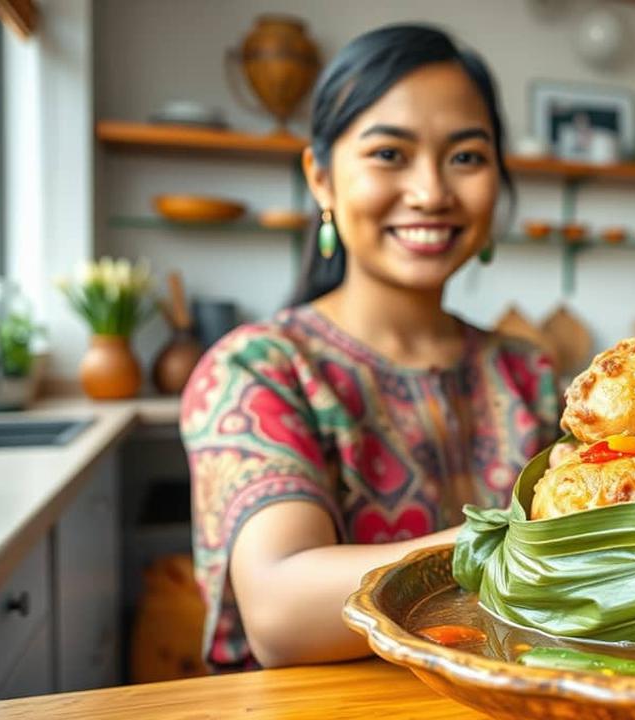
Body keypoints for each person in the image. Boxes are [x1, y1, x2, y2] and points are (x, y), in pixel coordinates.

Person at [180, 24, 560, 671]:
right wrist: (531, 541)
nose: (432, 192)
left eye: (466, 157)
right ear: (321, 178)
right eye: (390, 154)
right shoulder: (262, 368)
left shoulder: (528, 371)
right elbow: (280, 614)